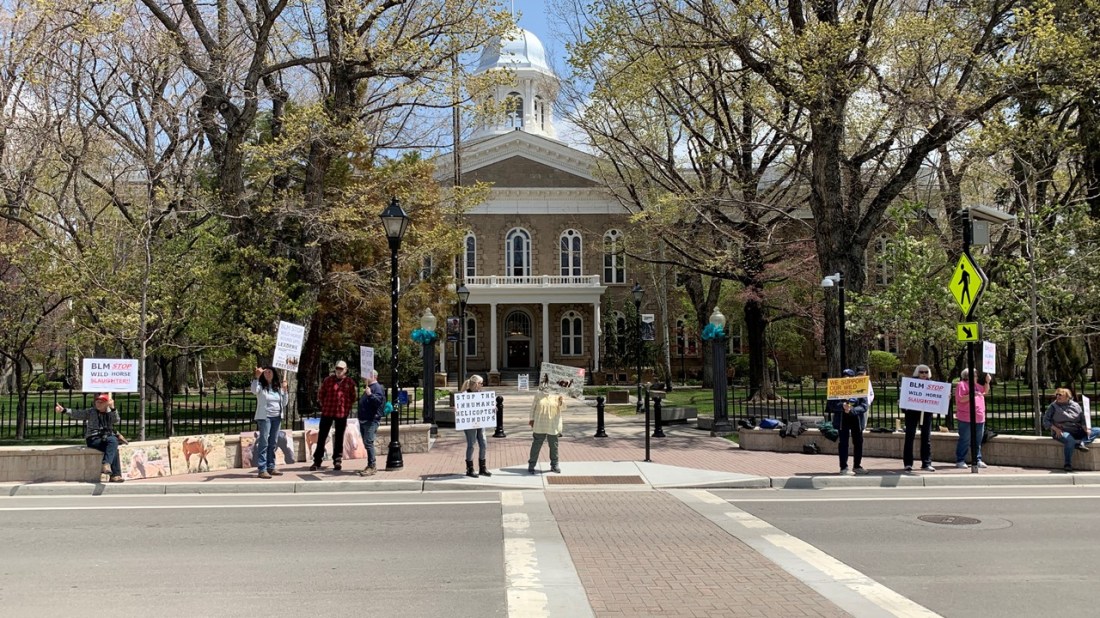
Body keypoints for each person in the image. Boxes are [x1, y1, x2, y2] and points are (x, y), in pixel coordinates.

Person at [55, 393, 124, 483]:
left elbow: (116, 420)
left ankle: (113, 474)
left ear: (106, 403)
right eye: (97, 401)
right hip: (94, 439)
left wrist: (113, 408)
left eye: (101, 402)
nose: (98, 404)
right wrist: (64, 410)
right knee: (113, 442)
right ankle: (110, 469)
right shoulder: (92, 412)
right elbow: (78, 414)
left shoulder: (110, 412)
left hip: (107, 439)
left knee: (113, 445)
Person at [311, 360, 358, 471]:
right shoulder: (328, 380)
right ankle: (317, 461)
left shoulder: (349, 382)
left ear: (345, 370)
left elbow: (353, 397)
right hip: (328, 411)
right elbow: (321, 394)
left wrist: (346, 407)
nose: (339, 371)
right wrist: (324, 405)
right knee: (322, 436)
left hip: (341, 413)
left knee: (339, 437)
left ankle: (337, 460)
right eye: (337, 368)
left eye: (341, 369)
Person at [1042, 388, 1100, 472]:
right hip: (1061, 431)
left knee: (1097, 430)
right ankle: (1067, 464)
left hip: (1076, 430)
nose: (1057, 396)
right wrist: (1055, 429)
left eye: (1060, 395)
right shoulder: (1053, 406)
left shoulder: (1075, 405)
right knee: (1070, 441)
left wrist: (1085, 427)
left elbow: (1082, 418)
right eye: (1056, 395)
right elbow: (1045, 420)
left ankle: (1081, 443)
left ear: (1067, 396)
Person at [829, 368, 868, 475]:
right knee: (843, 443)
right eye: (844, 378)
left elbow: (864, 406)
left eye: (849, 378)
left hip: (856, 419)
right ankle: (844, 467)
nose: (846, 380)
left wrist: (853, 410)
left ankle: (857, 466)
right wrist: (842, 406)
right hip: (843, 420)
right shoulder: (837, 388)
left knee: (858, 442)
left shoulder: (860, 388)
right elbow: (831, 405)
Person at [252, 366, 288, 479]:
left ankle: (271, 466)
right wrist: (257, 378)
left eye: (270, 372)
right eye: (265, 372)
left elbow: (285, 403)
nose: (268, 373)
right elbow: (254, 391)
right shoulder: (260, 386)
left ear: (274, 374)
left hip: (276, 417)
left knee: (273, 442)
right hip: (265, 417)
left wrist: (285, 390)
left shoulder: (277, 388)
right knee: (264, 442)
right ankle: (262, 469)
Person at [902, 364, 936, 473]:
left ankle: (926, 463)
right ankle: (908, 463)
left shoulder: (932, 384)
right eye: (921, 372)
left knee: (926, 437)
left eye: (926, 372)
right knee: (909, 436)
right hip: (912, 413)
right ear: (917, 373)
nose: (924, 374)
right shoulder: (910, 383)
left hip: (926, 413)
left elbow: (937, 396)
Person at [954, 368, 989, 468]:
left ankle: (977, 459)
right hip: (966, 417)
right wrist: (972, 395)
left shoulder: (977, 386)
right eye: (975, 375)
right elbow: (961, 399)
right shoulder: (961, 385)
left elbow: (985, 391)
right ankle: (960, 460)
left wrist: (987, 381)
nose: (977, 377)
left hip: (979, 417)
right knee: (965, 439)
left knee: (978, 440)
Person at [459, 375, 491, 478]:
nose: (482, 385)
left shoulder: (481, 394)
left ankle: (482, 467)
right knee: (471, 444)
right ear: (476, 384)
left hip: (480, 422)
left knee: (483, 443)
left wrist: (492, 408)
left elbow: (486, 406)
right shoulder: (464, 394)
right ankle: (470, 468)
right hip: (469, 423)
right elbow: (460, 407)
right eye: (481, 383)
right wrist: (457, 409)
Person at [528, 384, 564, 474]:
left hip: (553, 424)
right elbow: (533, 407)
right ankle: (531, 464)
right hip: (540, 423)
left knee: (554, 446)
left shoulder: (557, 394)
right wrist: (531, 419)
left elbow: (563, 408)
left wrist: (561, 401)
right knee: (536, 445)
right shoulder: (538, 393)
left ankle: (554, 465)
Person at [357, 370, 385, 476]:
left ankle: (372, 466)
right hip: (364, 419)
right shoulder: (369, 387)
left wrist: (370, 395)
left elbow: (378, 402)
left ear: (373, 376)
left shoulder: (377, 388)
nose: (365, 377)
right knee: (366, 443)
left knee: (368, 443)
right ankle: (370, 465)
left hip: (371, 420)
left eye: (367, 375)